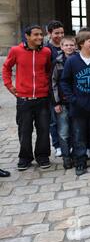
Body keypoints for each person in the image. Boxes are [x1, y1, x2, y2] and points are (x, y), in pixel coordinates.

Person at [60, 31, 90, 176]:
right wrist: (73, 100)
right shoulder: (72, 61)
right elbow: (65, 82)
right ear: (81, 43)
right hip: (78, 107)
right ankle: (80, 161)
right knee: (78, 135)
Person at [2, 25, 52, 171]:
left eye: (41, 35)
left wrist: (45, 86)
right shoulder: (16, 51)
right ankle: (25, 158)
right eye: (36, 35)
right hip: (24, 100)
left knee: (43, 129)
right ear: (27, 36)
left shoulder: (46, 52)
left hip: (42, 98)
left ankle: (43, 156)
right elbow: (6, 68)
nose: (40, 37)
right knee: (24, 130)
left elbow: (48, 70)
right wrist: (9, 86)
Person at [51, 35, 77, 169]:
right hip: (62, 102)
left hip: (77, 102)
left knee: (76, 130)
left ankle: (76, 155)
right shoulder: (57, 62)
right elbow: (54, 83)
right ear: (61, 47)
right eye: (66, 45)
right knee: (63, 131)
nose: (69, 47)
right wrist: (56, 102)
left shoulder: (79, 60)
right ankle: (66, 157)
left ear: (75, 46)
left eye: (71, 45)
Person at [46, 20, 65, 157]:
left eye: (62, 33)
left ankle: (66, 143)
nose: (60, 35)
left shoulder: (67, 46)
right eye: (56, 33)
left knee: (66, 119)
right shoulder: (46, 49)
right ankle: (57, 145)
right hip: (52, 89)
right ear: (49, 33)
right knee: (53, 120)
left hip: (65, 89)